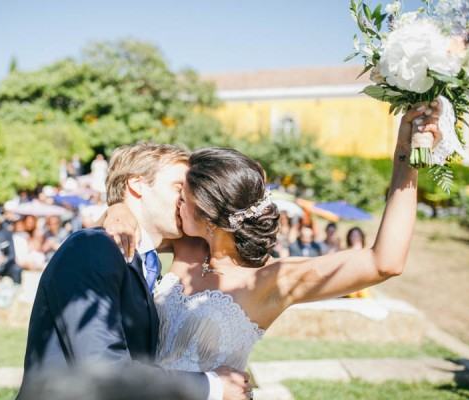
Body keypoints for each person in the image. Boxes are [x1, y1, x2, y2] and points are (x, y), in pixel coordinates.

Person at [103, 101, 441, 375]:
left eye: (182, 196)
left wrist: (404, 157)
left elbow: (385, 261)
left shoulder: (271, 281)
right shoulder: (188, 247)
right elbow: (129, 230)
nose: (175, 204)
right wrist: (118, 209)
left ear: (208, 215)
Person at [19, 143, 251, 400]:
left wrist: (114, 208)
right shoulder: (91, 248)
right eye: (179, 188)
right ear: (137, 184)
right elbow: (101, 370)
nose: (188, 198)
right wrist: (213, 387)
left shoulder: (143, 262)